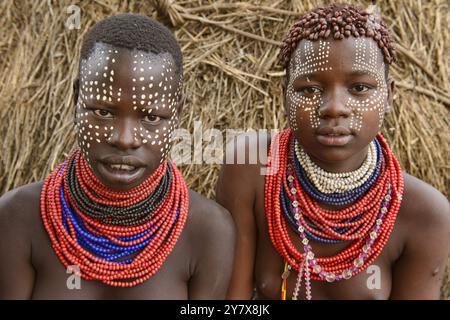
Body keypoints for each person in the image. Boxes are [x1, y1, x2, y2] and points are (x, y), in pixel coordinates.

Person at [216, 3, 450, 300]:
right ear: (284, 94)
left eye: (360, 88)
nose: (334, 107)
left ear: (390, 96)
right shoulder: (251, 168)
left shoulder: (424, 214)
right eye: (309, 90)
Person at [0, 13, 235, 299]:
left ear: (177, 114)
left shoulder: (209, 232)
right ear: (76, 101)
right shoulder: (18, 218)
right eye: (103, 112)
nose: (124, 139)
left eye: (150, 117)